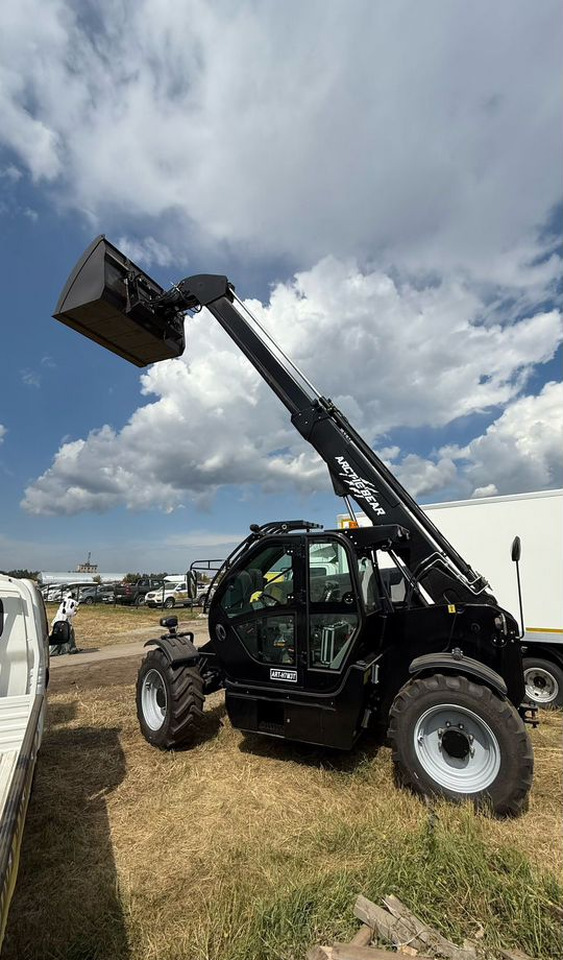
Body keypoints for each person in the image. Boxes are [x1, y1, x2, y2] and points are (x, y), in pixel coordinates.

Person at [50, 591, 81, 655]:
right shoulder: (70, 601)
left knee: (69, 634)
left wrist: (74, 611)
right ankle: (68, 649)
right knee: (64, 635)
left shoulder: (64, 602)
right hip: (63, 621)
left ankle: (69, 649)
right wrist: (75, 611)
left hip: (60, 620)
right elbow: (68, 612)